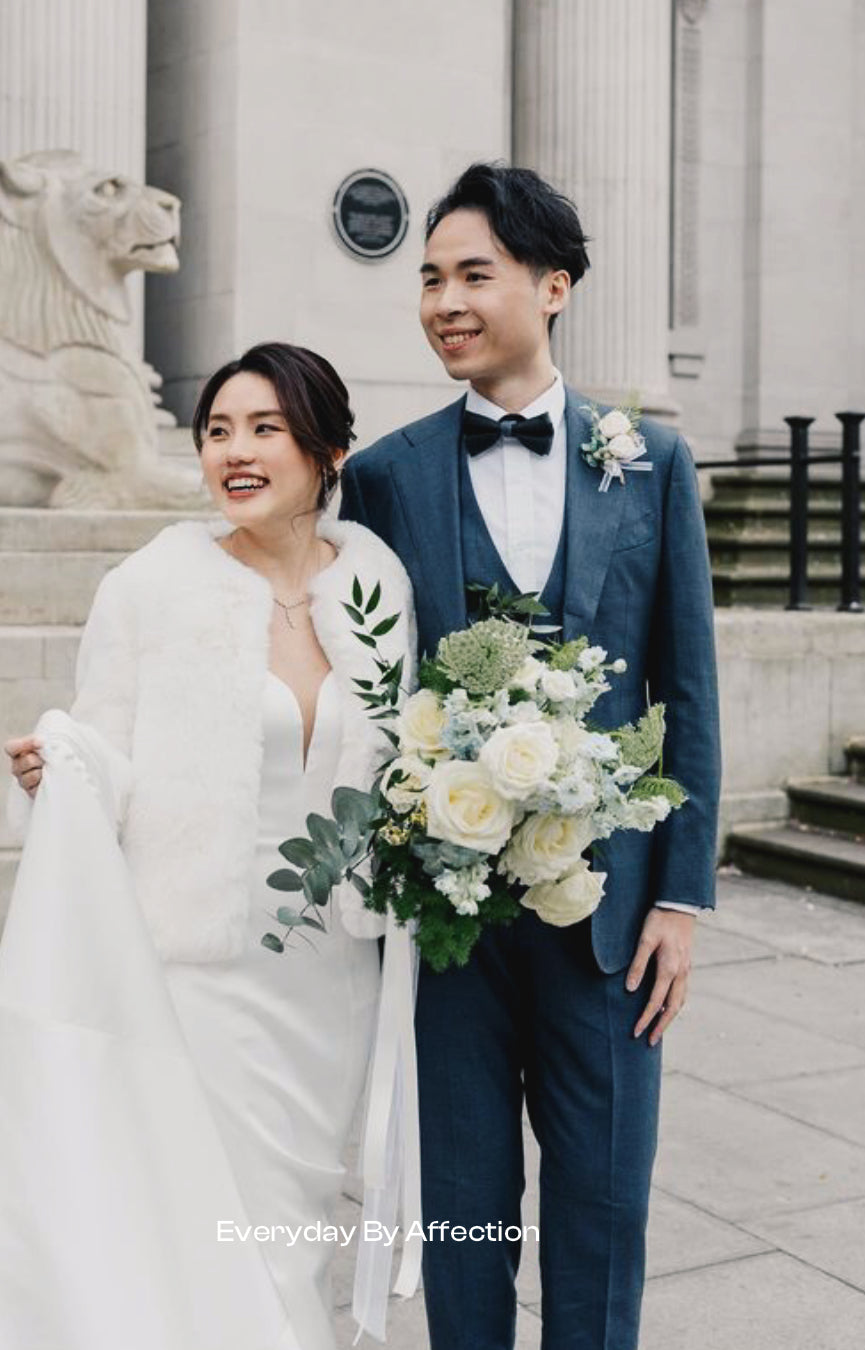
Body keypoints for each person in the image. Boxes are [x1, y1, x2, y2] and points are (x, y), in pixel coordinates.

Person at [339, 163, 721, 1350]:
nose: (445, 301)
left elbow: (689, 687)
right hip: (444, 920)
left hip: (607, 920)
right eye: (431, 279)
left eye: (474, 275)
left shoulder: (650, 461)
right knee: (459, 1214)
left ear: (553, 287)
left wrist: (685, 899)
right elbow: (344, 678)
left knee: (605, 1204)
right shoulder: (387, 474)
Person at [0, 341, 417, 1348]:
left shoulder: (378, 582)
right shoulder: (150, 585)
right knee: (232, 1218)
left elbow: (402, 753)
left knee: (303, 1219)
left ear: (328, 450)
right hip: (207, 967)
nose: (236, 451)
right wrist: (62, 769)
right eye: (217, 431)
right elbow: (109, 745)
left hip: (337, 966)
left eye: (265, 428)